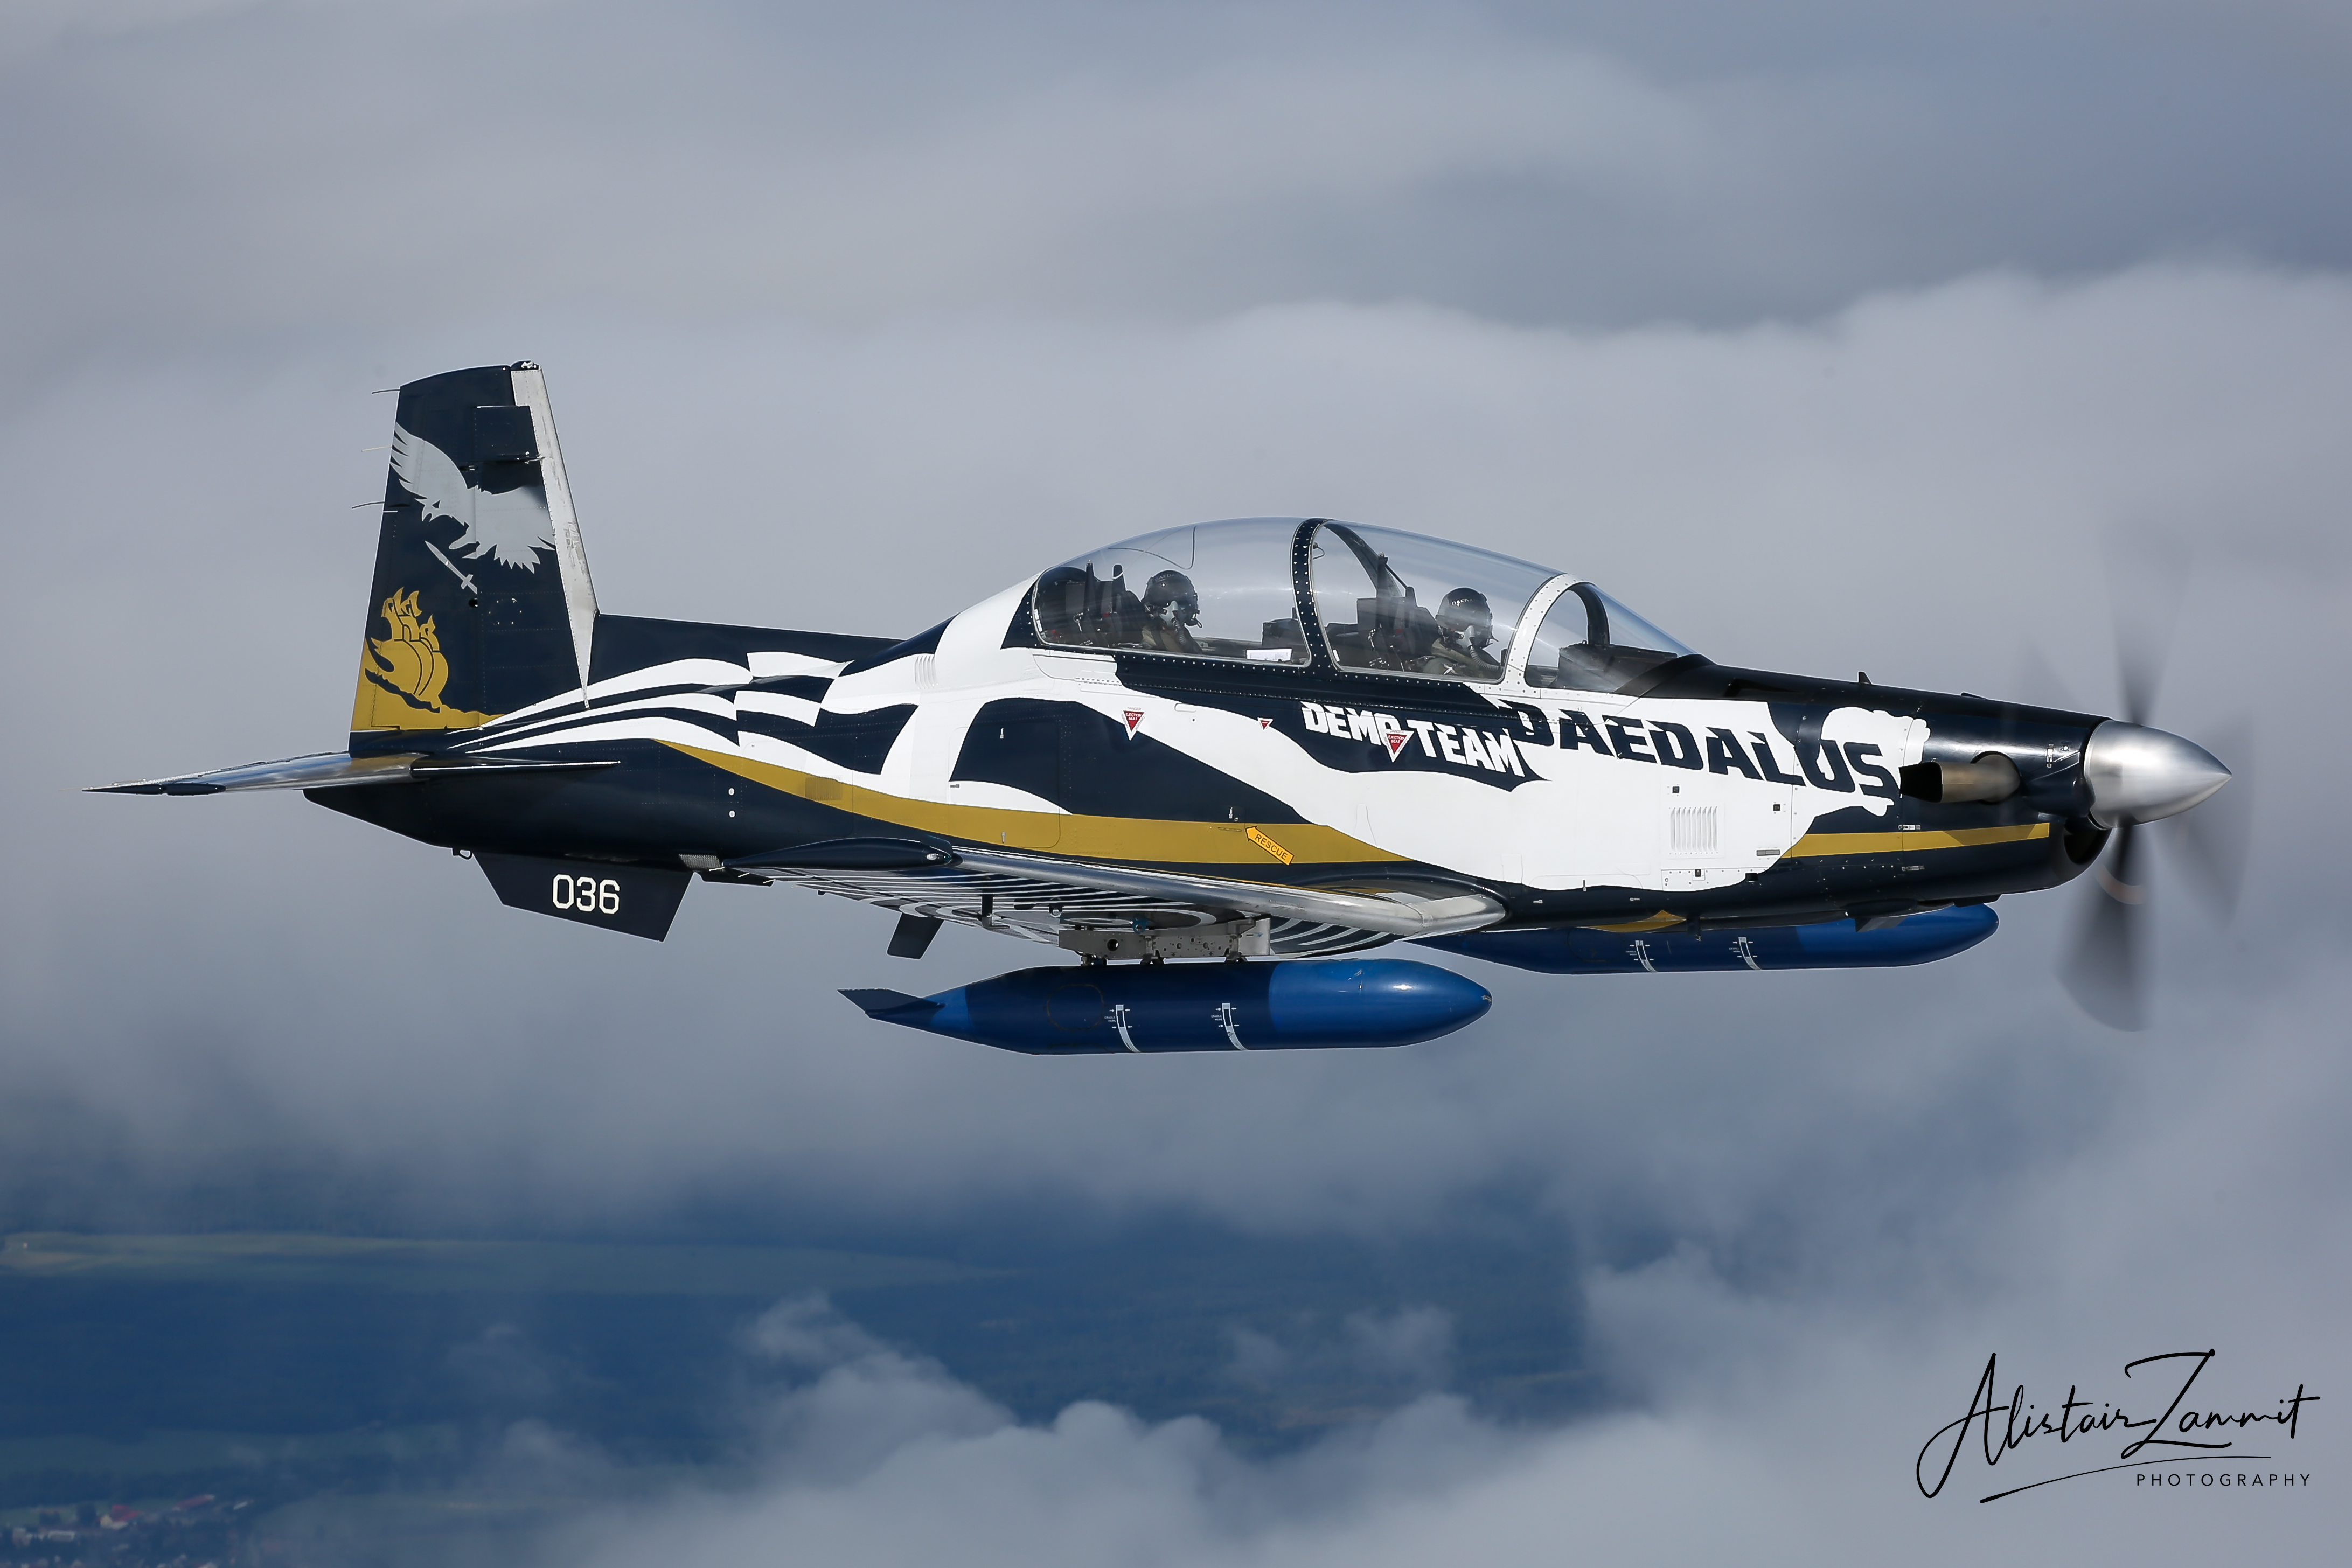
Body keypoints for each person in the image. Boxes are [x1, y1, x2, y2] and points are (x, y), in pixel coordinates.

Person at [1420, 587, 1502, 678]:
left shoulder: (1483, 661)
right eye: (1461, 622)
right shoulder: (1440, 668)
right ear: (1447, 625)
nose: (1472, 629)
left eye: (1479, 621)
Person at [1138, 569, 1202, 654]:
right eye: (1165, 600)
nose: (1175, 608)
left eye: (1181, 600)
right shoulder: (1150, 649)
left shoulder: (1184, 637)